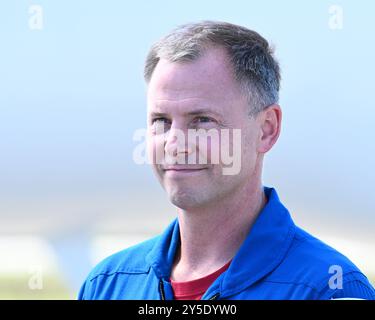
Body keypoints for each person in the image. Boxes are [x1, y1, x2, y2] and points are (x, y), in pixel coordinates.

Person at [78, 21, 375, 300]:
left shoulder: (326, 288)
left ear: (266, 129)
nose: (175, 144)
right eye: (161, 120)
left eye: (202, 120)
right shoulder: (107, 284)